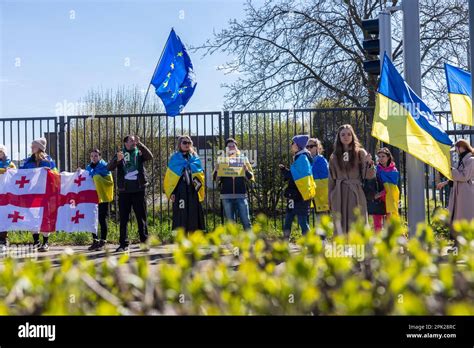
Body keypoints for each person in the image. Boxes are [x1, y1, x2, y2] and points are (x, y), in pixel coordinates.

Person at [107, 135, 153, 252]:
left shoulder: (139, 152)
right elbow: (109, 167)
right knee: (123, 219)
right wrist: (116, 160)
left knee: (141, 218)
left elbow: (150, 157)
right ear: (125, 143)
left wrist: (141, 145)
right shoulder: (120, 154)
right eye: (131, 141)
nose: (134, 142)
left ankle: (144, 242)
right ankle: (123, 244)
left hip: (139, 190)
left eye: (134, 140)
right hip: (125, 192)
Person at [328, 125, 375, 234]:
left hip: (356, 193)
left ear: (353, 136)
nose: (346, 137)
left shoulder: (360, 153)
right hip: (339, 194)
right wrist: (330, 198)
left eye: (349, 134)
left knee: (358, 225)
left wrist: (369, 163)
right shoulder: (334, 156)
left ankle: (360, 251)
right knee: (340, 228)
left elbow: (368, 175)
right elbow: (331, 181)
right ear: (339, 137)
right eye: (343, 134)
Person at [20, 138, 57, 252]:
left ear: (40, 148)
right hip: (31, 193)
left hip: (45, 193)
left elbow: (56, 174)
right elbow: (20, 173)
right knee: (31, 216)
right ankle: (36, 242)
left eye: (33, 146)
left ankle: (45, 242)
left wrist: (49, 171)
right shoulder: (27, 161)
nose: (31, 148)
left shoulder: (48, 161)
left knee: (45, 216)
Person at [164, 135, 206, 233]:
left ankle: (194, 237)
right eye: (184, 143)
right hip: (180, 190)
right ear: (180, 144)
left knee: (193, 213)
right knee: (181, 213)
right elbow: (170, 177)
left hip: (193, 189)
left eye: (189, 143)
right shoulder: (175, 158)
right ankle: (181, 238)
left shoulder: (194, 158)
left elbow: (200, 174)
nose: (187, 144)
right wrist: (172, 192)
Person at [279, 135, 316, 239]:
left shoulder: (302, 158)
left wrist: (285, 172)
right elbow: (297, 175)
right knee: (289, 219)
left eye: (293, 143)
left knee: (302, 222)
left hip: (300, 195)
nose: (291, 145)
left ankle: (310, 244)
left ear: (298, 145)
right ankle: (285, 243)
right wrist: (286, 171)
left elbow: (296, 177)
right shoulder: (300, 157)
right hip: (296, 194)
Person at [213, 138, 254, 230]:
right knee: (230, 223)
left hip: (241, 195)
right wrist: (216, 170)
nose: (231, 147)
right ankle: (233, 243)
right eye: (229, 146)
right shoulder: (222, 161)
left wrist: (245, 169)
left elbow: (250, 177)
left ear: (236, 148)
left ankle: (250, 242)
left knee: (246, 220)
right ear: (226, 149)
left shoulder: (243, 159)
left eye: (233, 146)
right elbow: (216, 179)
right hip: (226, 196)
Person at [437, 139, 474, 226]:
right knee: (457, 216)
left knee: (465, 216)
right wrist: (444, 183)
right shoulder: (461, 160)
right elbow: (457, 177)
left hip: (466, 193)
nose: (456, 151)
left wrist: (451, 169)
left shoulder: (471, 160)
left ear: (461, 148)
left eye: (456, 149)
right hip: (460, 193)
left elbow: (464, 177)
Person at [84, 149, 114, 251]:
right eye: (92, 156)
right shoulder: (89, 167)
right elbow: (86, 178)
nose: (93, 158)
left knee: (102, 218)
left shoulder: (104, 166)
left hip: (103, 196)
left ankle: (103, 240)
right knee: (93, 218)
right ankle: (95, 240)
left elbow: (105, 178)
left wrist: (93, 174)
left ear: (100, 157)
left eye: (96, 156)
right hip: (93, 197)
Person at [371, 147, 400, 232]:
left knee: (390, 221)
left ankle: (393, 241)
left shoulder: (393, 171)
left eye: (383, 156)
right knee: (377, 222)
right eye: (379, 157)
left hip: (389, 199)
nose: (381, 159)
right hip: (378, 199)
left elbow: (392, 188)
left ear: (388, 157)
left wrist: (382, 193)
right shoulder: (376, 169)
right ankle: (378, 241)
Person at [306, 138, 329, 213]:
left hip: (321, 195)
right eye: (307, 147)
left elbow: (326, 179)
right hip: (313, 193)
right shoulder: (308, 160)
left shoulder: (321, 160)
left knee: (322, 218)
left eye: (311, 146)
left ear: (317, 147)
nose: (309, 148)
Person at [0, 145, 16, 253]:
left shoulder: (10, 163)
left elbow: (16, 174)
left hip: (5, 194)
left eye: (1, 151)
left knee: (3, 217)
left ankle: (3, 240)